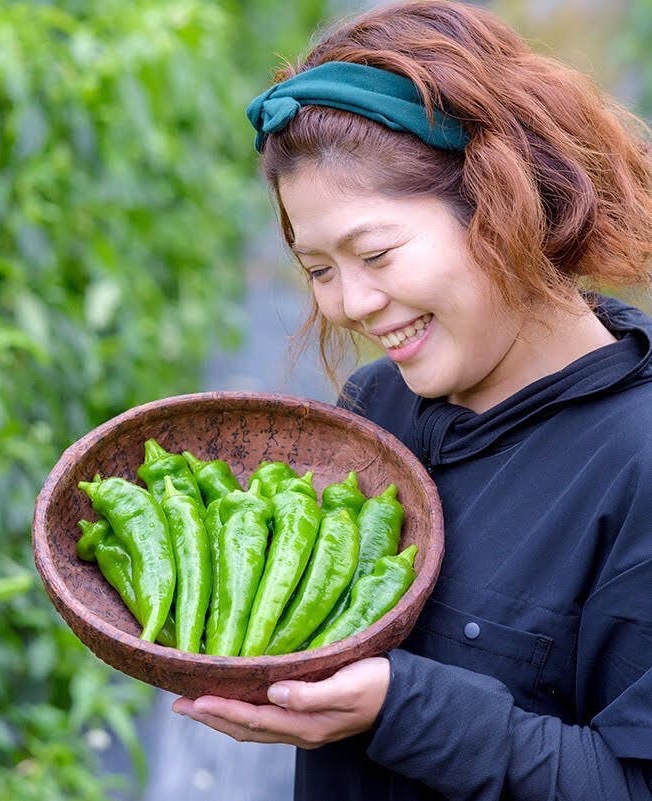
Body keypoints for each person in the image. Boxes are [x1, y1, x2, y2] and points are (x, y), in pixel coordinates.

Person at [172, 1, 652, 799]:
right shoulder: (380, 409)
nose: (348, 304)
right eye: (318, 269)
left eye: (374, 252)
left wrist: (400, 705)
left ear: (501, 203)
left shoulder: (634, 465)